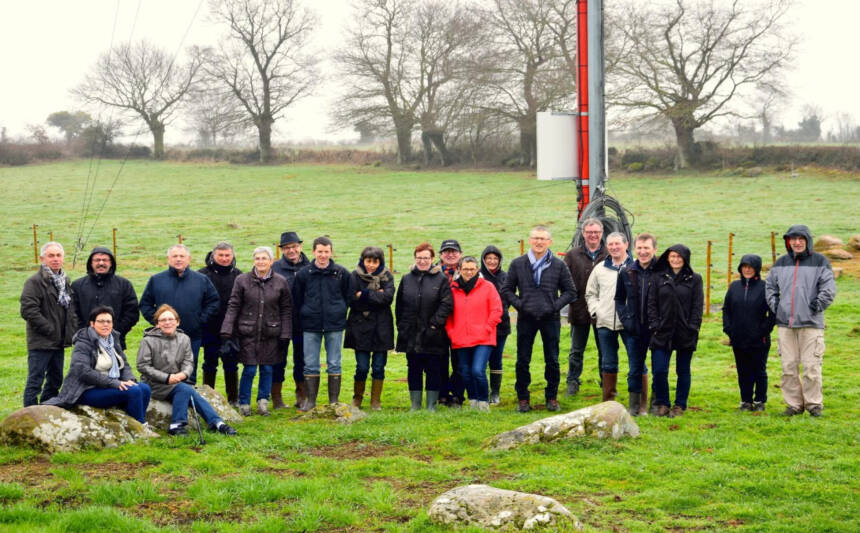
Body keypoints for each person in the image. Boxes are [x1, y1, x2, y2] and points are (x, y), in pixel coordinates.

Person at [502, 226, 577, 413]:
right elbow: (506, 290)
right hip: (526, 318)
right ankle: (523, 398)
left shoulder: (559, 265)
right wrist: (521, 305)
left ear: (549, 242)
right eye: (536, 238)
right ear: (530, 240)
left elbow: (570, 291)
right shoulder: (518, 264)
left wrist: (553, 306)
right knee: (522, 359)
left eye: (543, 239)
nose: (539, 242)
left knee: (552, 359)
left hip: (550, 318)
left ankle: (551, 397)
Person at [765, 225, 836, 417]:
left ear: (807, 240)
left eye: (800, 239)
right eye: (793, 239)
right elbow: (770, 286)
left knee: (811, 367)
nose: (796, 242)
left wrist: (817, 305)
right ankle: (794, 405)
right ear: (788, 242)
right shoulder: (780, 263)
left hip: (811, 324)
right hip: (785, 325)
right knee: (788, 367)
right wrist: (777, 306)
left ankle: (814, 405)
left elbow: (829, 288)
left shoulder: (820, 261)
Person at [137, 304, 237, 435]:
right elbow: (142, 365)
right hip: (155, 384)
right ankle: (177, 424)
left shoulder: (184, 339)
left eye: (171, 319)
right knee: (185, 389)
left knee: (188, 391)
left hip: (177, 382)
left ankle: (217, 423)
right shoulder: (148, 341)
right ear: (157, 324)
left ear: (177, 322)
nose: (167, 322)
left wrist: (183, 374)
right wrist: (167, 378)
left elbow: (189, 362)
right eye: (163, 320)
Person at [44, 306, 151, 424]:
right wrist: (115, 383)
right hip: (85, 390)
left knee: (145, 388)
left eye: (109, 321)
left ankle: (132, 422)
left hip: (108, 385)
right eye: (101, 321)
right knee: (133, 391)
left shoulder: (113, 339)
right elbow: (83, 372)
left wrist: (129, 379)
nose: (105, 324)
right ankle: (139, 426)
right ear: (92, 324)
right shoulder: (83, 342)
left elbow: (124, 364)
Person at [221, 247, 292, 416]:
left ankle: (263, 402)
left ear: (271, 261)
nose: (261, 262)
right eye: (258, 258)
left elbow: (286, 309)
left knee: (267, 369)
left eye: (264, 258)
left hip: (271, 333)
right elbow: (234, 305)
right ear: (254, 260)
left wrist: (285, 333)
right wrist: (226, 329)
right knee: (250, 369)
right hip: (248, 332)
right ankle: (244, 403)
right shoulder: (242, 280)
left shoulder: (281, 281)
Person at [140, 244, 220, 385]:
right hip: (162, 337)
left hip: (191, 335)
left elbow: (213, 302)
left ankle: (188, 396)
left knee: (188, 373)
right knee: (162, 372)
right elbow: (145, 304)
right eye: (175, 256)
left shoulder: (201, 280)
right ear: (168, 259)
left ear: (188, 259)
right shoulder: (156, 280)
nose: (178, 259)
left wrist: (200, 320)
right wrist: (159, 322)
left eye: (182, 256)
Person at [293, 236, 351, 411]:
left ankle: (333, 401)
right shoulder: (303, 274)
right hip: (311, 325)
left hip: (335, 324)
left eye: (326, 252)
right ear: (313, 252)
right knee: (310, 363)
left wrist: (339, 310)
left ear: (331, 252)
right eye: (320, 251)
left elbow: (348, 296)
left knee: (334, 362)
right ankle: (311, 401)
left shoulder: (341, 273)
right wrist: (305, 313)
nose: (323, 255)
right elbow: (297, 298)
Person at [647, 244, 703, 418]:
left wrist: (693, 327)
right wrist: (655, 325)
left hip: (685, 332)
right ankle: (663, 403)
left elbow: (697, 306)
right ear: (667, 258)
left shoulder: (695, 279)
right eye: (672, 256)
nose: (675, 260)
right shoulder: (658, 277)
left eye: (679, 257)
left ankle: (680, 405)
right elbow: (651, 303)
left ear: (685, 259)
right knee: (659, 370)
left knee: (683, 370)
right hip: (662, 332)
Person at [395, 243, 453, 411]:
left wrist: (435, 324)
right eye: (419, 258)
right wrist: (402, 326)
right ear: (415, 258)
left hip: (434, 334)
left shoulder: (441, 279)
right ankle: (415, 404)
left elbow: (446, 304)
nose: (422, 261)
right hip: (411, 333)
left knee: (433, 368)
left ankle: (431, 405)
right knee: (414, 368)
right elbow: (399, 305)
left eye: (426, 258)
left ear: (432, 259)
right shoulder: (406, 279)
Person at [20, 241, 77, 406]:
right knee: (35, 381)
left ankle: (47, 409)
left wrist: (69, 331)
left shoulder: (64, 281)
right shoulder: (34, 282)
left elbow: (69, 309)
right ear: (42, 259)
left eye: (58, 255)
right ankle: (29, 415)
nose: (55, 259)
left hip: (58, 342)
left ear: (63, 258)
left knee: (56, 379)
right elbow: (28, 311)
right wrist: (50, 329)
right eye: (51, 256)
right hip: (41, 341)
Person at [445, 257, 502, 411]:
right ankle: (473, 401)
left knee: (477, 370)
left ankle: (483, 402)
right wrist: (451, 332)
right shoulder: (453, 289)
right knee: (465, 371)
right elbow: (448, 314)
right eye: (465, 269)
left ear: (477, 270)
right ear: (459, 270)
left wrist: (487, 328)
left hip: (484, 338)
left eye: (472, 269)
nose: (469, 272)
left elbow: (497, 310)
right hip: (460, 338)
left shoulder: (488, 287)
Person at [344, 246, 395, 411]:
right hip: (360, 327)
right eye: (368, 261)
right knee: (362, 367)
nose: (371, 265)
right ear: (363, 260)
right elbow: (352, 299)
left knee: (379, 366)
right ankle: (357, 398)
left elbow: (387, 298)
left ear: (380, 262)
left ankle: (375, 400)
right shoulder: (354, 275)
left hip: (381, 328)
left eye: (375, 262)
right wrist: (375, 294)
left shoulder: (387, 276)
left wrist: (363, 294)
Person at [723, 255, 775, 412]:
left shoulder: (765, 287)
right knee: (743, 371)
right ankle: (746, 401)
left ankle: (759, 401)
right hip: (738, 338)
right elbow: (727, 309)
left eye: (750, 267)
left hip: (759, 339)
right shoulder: (734, 286)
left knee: (759, 370)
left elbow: (773, 313)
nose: (747, 270)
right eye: (744, 266)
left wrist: (762, 331)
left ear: (757, 269)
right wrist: (729, 329)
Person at [585, 232, 632, 402]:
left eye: (617, 244)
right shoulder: (600, 268)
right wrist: (596, 311)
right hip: (605, 322)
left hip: (630, 323)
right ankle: (608, 401)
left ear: (626, 245)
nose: (614, 247)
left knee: (636, 361)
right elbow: (590, 293)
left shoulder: (635, 267)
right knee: (608, 362)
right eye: (610, 244)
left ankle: (638, 403)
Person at [563, 218, 608, 396]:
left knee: (605, 350)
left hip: (604, 311)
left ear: (601, 233)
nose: (593, 235)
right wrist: (572, 299)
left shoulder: (609, 253)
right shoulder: (572, 255)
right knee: (576, 350)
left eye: (596, 232)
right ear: (583, 233)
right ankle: (573, 382)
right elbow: (564, 281)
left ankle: (606, 382)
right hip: (579, 310)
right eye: (589, 232)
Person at [614, 233, 657, 416]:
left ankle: (656, 404)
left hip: (657, 330)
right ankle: (635, 406)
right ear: (634, 249)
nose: (643, 251)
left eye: (646, 248)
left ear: (654, 249)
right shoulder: (627, 272)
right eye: (639, 248)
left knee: (659, 369)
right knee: (634, 369)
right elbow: (619, 299)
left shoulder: (662, 272)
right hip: (634, 329)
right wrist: (626, 319)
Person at [197, 242, 242, 405]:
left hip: (232, 329)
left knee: (231, 364)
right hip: (209, 328)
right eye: (220, 255)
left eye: (227, 255)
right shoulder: (202, 275)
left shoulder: (239, 276)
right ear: (213, 255)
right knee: (210, 363)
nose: (224, 258)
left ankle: (233, 398)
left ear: (232, 256)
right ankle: (208, 398)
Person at [271, 231, 311, 409]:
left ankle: (301, 395)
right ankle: (276, 397)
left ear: (300, 246)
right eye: (287, 248)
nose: (291, 250)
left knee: (302, 360)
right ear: (282, 250)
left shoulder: (310, 267)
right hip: (280, 322)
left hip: (304, 322)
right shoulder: (275, 268)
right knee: (278, 360)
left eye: (294, 246)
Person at [71, 246, 139, 350]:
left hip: (115, 342)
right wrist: (85, 332)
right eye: (97, 260)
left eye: (105, 260)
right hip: (85, 342)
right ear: (91, 263)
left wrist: (116, 330)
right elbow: (72, 313)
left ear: (111, 263)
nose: (101, 263)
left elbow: (132, 312)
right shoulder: (78, 285)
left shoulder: (124, 285)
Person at [480, 245, 511, 405]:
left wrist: (501, 311)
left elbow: (508, 297)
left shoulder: (505, 277)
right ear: (483, 260)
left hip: (501, 325)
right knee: (481, 359)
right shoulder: (478, 276)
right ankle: (482, 391)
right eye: (488, 258)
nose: (492, 261)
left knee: (496, 358)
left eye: (495, 258)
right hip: (481, 325)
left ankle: (495, 392)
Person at [438, 238, 465, 407]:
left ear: (460, 254)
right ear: (440, 255)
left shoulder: (467, 272)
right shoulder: (433, 272)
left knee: (459, 362)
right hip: (439, 323)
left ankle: (457, 395)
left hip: (459, 323)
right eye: (446, 251)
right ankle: (442, 394)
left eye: (454, 251)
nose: (450, 254)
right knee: (440, 361)